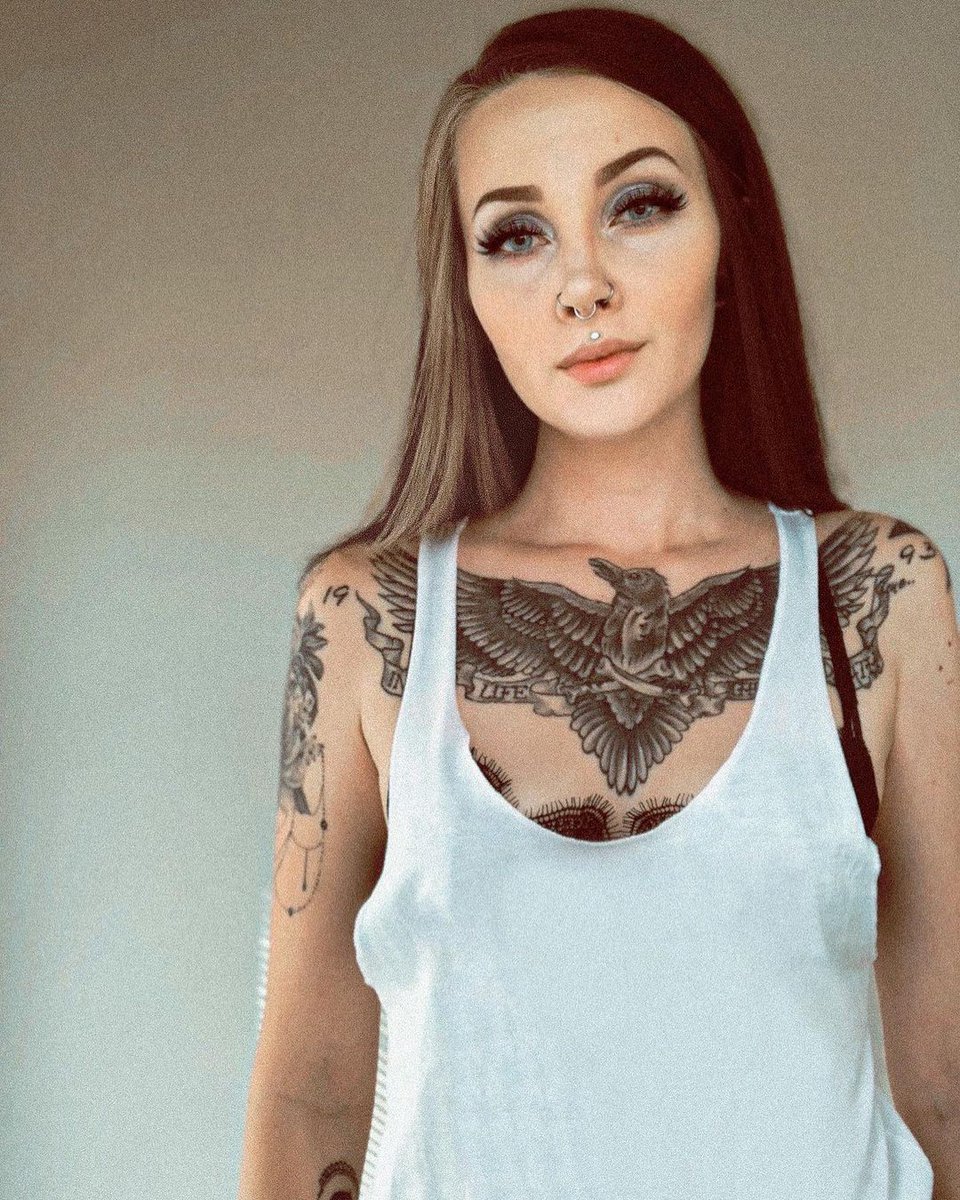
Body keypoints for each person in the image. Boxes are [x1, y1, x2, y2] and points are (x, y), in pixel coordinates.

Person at [236, 7, 959, 1198]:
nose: (583, 284)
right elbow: (310, 1088)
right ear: (468, 288)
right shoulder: (367, 617)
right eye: (516, 234)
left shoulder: (876, 592)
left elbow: (943, 1087)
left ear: (731, 232)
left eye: (639, 204)